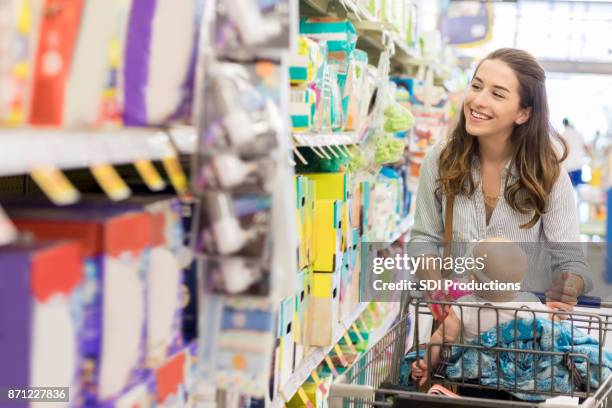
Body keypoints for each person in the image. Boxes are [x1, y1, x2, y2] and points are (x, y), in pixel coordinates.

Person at [408, 48, 591, 319]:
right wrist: (434, 283)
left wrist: (568, 285)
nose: (478, 101)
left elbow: (572, 262)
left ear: (523, 113)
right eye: (476, 86)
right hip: (458, 329)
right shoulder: (441, 159)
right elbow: (423, 239)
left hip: (525, 337)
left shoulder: (547, 173)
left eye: (497, 94)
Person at [410, 238, 549, 386]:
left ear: (472, 279)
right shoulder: (529, 304)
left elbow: (440, 338)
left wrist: (427, 365)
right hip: (519, 377)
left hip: (475, 378)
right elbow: (551, 330)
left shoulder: (465, 306)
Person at [561, 118, 590, 186]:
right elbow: (585, 147)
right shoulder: (578, 133)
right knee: (580, 187)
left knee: (572, 188)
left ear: (563, 124)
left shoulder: (563, 136)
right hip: (578, 164)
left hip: (568, 166)